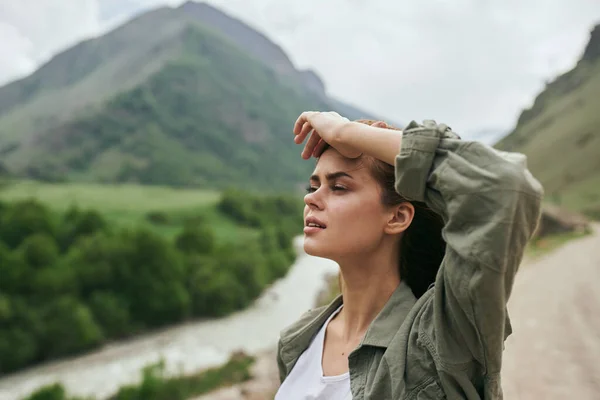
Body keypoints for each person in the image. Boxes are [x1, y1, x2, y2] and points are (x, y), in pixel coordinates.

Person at [274, 112, 544, 400]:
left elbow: (503, 186)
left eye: (338, 187)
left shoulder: (440, 337)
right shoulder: (297, 341)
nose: (310, 198)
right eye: (313, 186)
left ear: (398, 216)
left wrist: (347, 133)